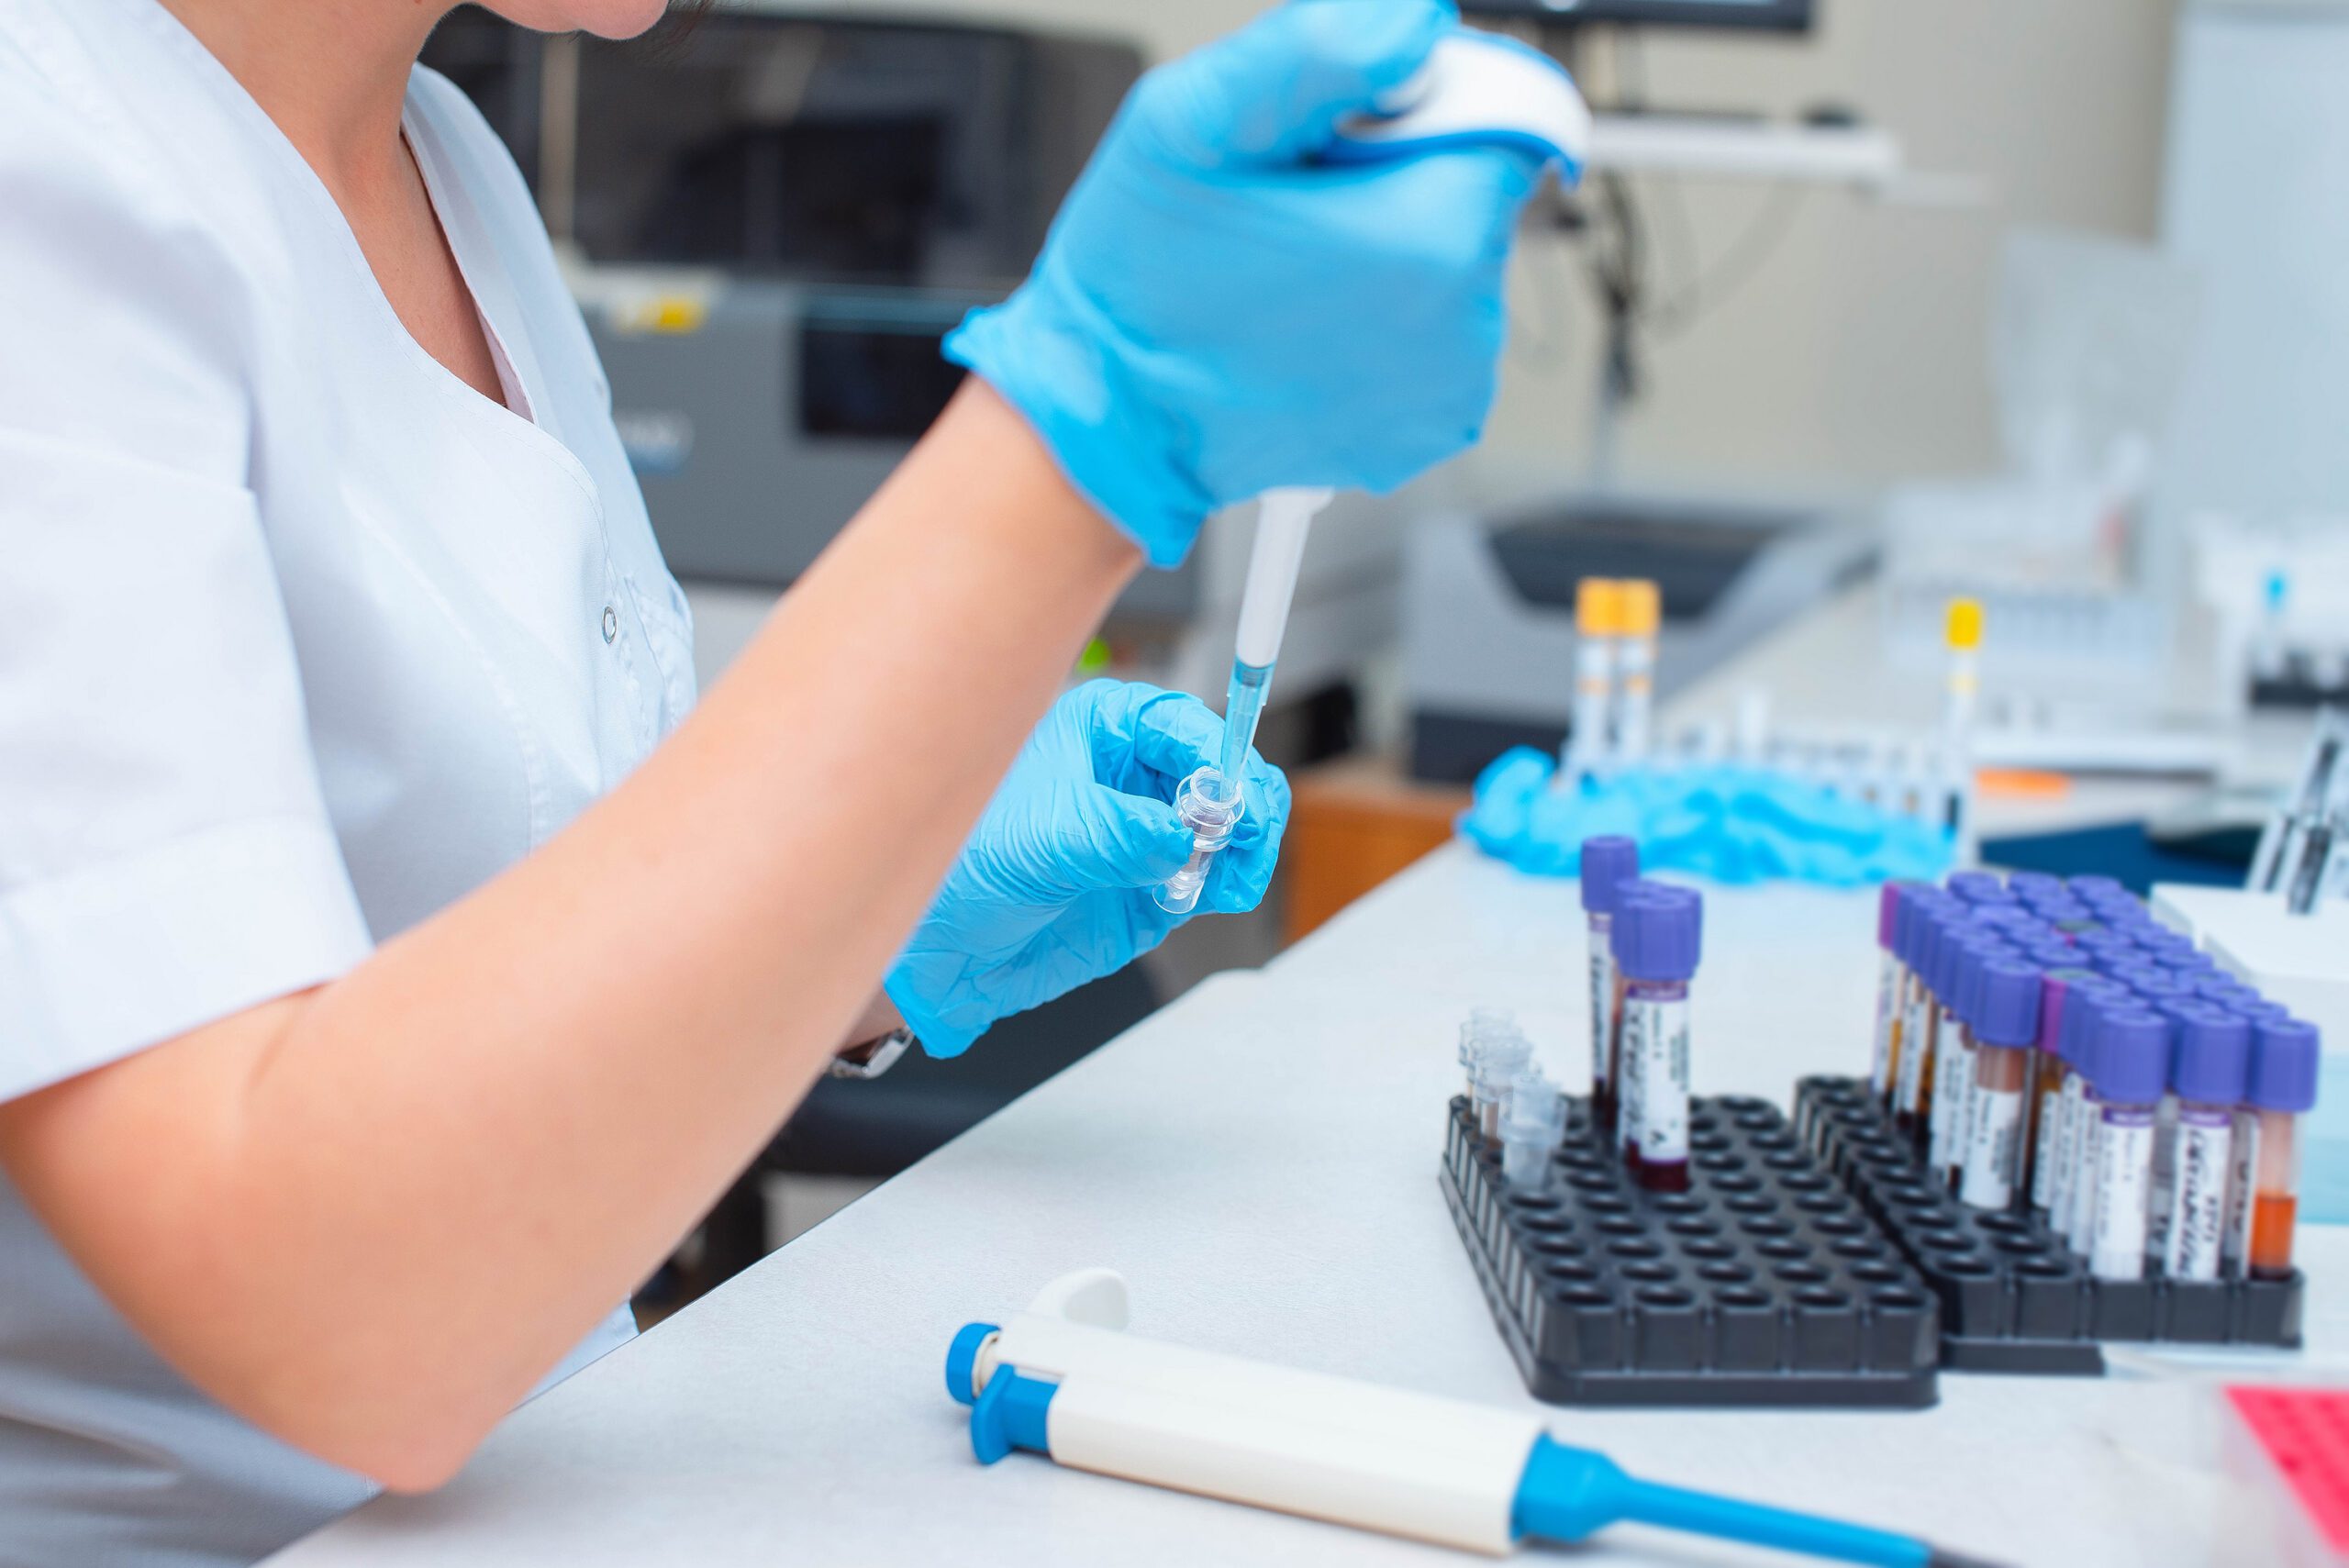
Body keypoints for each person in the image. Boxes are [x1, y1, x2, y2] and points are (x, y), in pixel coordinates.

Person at [0, 0, 1543, 1561]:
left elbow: (526, 945)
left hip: (556, 1480)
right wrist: (1088, 436)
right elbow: (341, 1327)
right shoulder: (41, 177)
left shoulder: (448, 165)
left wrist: (864, 935)